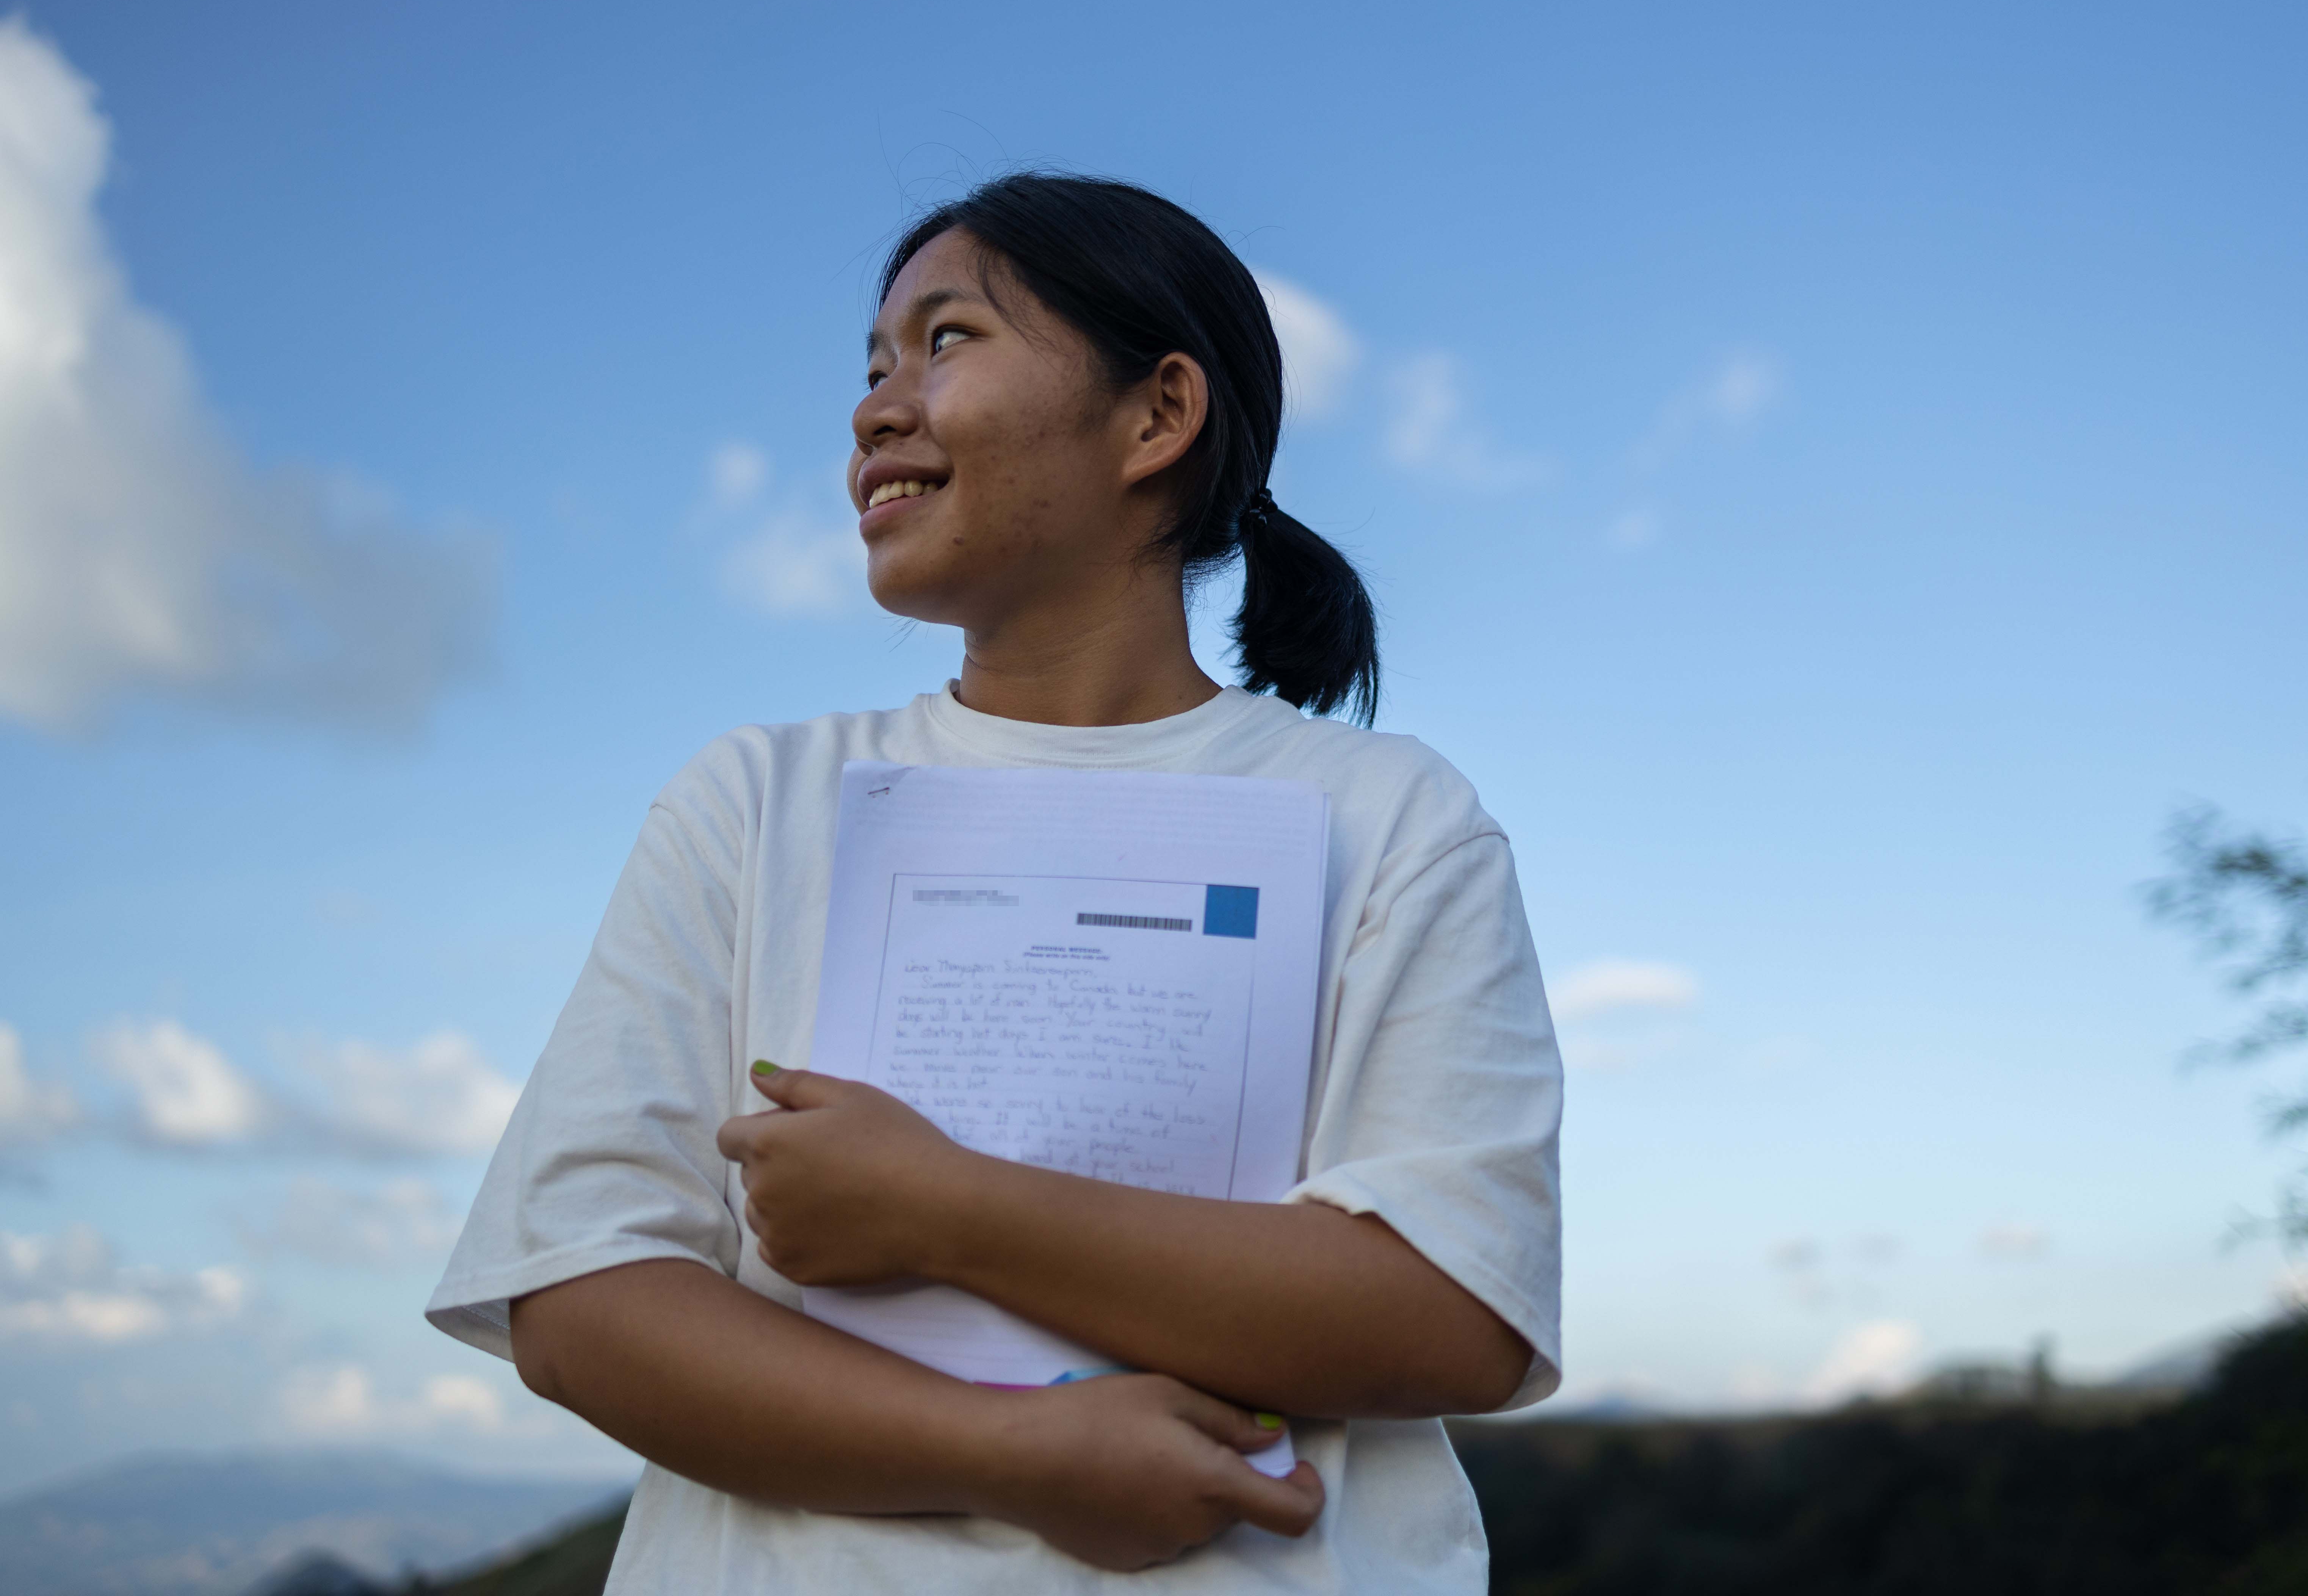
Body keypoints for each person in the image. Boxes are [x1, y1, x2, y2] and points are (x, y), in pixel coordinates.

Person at [425, 172, 1564, 1592]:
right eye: (873, 365)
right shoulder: (755, 806)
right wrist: (1018, 1455)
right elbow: (579, 1298)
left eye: (947, 340)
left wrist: (945, 1208)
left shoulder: (1388, 819)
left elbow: (1457, 1309)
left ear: (1157, 414)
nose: (875, 408)